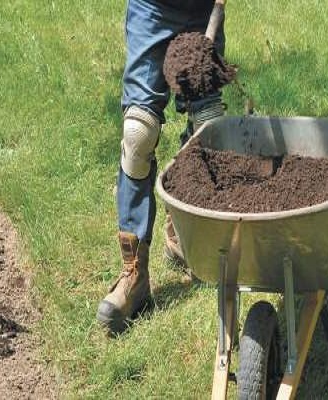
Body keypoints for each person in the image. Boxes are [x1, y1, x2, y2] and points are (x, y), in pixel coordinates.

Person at [96, 0, 227, 335]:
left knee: (206, 129)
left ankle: (181, 230)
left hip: (203, 9)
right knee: (138, 134)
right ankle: (134, 275)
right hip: (152, 8)